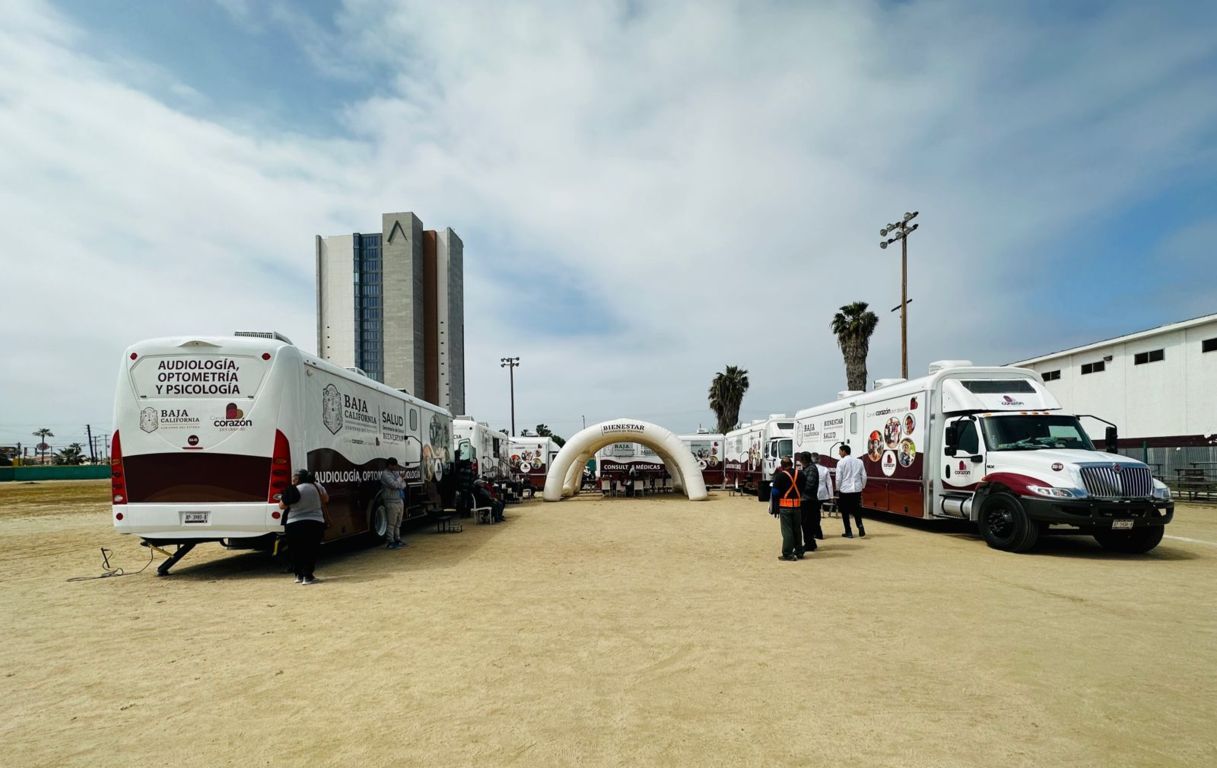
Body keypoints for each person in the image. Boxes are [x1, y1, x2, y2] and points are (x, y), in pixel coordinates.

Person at [279, 469, 330, 585]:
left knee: (296, 550)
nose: (293, 481)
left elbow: (281, 506)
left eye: (294, 479)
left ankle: (298, 575)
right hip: (314, 522)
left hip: (293, 524)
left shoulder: (293, 489)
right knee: (311, 550)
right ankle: (308, 576)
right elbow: (326, 499)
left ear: (298, 479)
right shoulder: (316, 486)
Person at [771, 456, 804, 561]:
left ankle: (787, 553)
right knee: (797, 529)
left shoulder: (780, 476)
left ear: (782, 466)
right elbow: (804, 488)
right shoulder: (801, 474)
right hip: (797, 506)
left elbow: (775, 492)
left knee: (787, 531)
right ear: (792, 464)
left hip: (785, 507)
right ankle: (799, 551)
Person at [836, 444, 867, 538]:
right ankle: (860, 526)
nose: (839, 453)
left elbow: (838, 478)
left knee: (845, 512)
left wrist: (837, 488)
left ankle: (848, 532)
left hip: (845, 490)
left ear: (844, 451)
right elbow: (864, 476)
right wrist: (862, 486)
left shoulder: (841, 462)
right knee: (856, 509)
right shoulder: (859, 461)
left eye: (840, 451)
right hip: (856, 489)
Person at [379, 457, 407, 549]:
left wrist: (399, 481)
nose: (395, 467)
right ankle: (390, 541)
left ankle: (397, 539)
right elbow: (394, 485)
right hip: (391, 501)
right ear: (389, 465)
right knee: (391, 523)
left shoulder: (395, 473)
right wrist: (400, 479)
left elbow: (403, 485)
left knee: (398, 522)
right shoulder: (385, 474)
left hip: (399, 499)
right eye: (394, 465)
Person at [796, 452, 819, 550]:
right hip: (804, 499)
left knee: (807, 523)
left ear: (804, 460)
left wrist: (797, 487)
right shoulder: (806, 468)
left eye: (801, 460)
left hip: (808, 500)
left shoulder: (812, 469)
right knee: (805, 523)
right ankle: (810, 542)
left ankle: (809, 544)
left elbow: (810, 485)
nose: (800, 462)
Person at [810, 451, 833, 540]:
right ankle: (817, 531)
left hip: (812, 493)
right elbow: (829, 483)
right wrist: (831, 496)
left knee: (812, 513)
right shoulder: (825, 469)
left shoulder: (809, 468)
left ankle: (816, 532)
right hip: (823, 493)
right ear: (819, 459)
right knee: (817, 512)